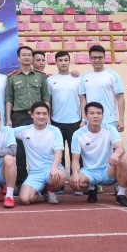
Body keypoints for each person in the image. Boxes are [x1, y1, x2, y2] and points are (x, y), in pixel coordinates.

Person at [69, 102, 127, 207]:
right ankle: (91, 189)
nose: (95, 116)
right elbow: (75, 160)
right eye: (92, 113)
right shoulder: (78, 134)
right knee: (74, 183)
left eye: (99, 113)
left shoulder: (110, 129)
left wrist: (115, 154)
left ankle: (121, 195)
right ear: (86, 116)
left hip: (108, 170)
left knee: (122, 158)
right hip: (89, 172)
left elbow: (120, 148)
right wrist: (75, 174)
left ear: (102, 116)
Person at [6, 46, 50, 186]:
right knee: (20, 151)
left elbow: (45, 97)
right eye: (23, 55)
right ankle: (21, 182)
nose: (26, 57)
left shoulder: (41, 76)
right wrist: (9, 119)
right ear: (18, 58)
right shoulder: (12, 77)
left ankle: (43, 182)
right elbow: (9, 99)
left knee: (41, 148)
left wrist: (47, 117)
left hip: (38, 117)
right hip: (19, 116)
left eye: (29, 55)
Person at [13, 102, 65, 205]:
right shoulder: (25, 130)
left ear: (48, 115)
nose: (41, 116)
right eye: (38, 113)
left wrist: (54, 168)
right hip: (35, 173)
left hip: (51, 169)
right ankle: (43, 191)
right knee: (24, 199)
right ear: (32, 115)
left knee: (60, 176)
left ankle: (51, 189)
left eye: (44, 114)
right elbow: (4, 131)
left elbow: (59, 151)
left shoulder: (55, 130)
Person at [47, 50, 82, 179]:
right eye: (60, 60)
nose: (63, 63)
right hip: (56, 121)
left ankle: (76, 180)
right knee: (58, 153)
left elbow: (82, 99)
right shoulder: (50, 80)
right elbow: (48, 100)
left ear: (69, 61)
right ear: (55, 62)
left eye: (66, 60)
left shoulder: (77, 79)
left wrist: (83, 119)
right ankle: (59, 182)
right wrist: (48, 119)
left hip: (75, 121)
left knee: (76, 153)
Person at [79, 45, 126, 132]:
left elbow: (120, 97)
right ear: (90, 59)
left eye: (100, 57)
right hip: (91, 122)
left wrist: (121, 119)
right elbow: (83, 100)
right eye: (94, 58)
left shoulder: (113, 75)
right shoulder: (84, 77)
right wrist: (84, 120)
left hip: (110, 121)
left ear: (104, 58)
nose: (97, 60)